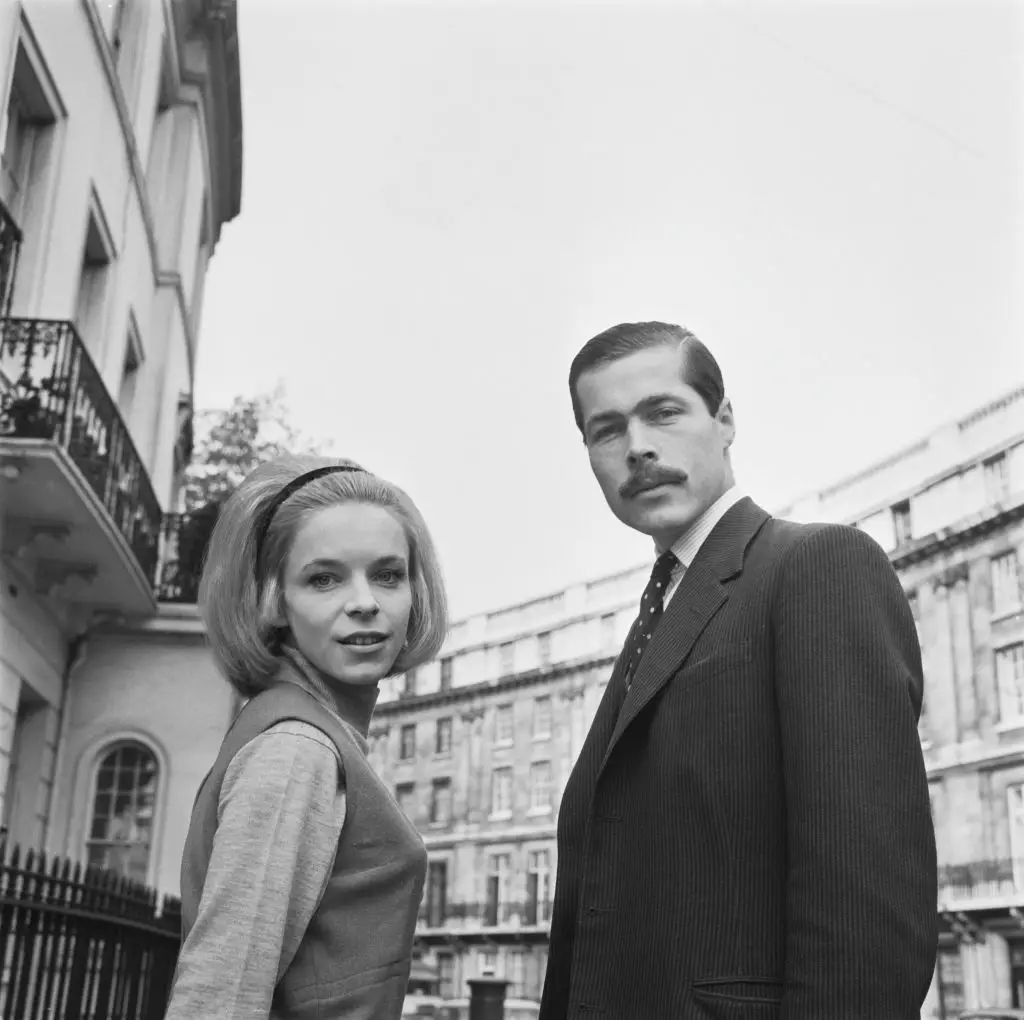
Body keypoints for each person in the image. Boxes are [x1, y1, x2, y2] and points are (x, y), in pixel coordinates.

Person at [539, 322, 937, 1020]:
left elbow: (866, 921)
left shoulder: (817, 566)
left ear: (724, 421)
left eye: (663, 412)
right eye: (606, 431)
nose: (637, 448)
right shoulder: (655, 618)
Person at [164, 455, 449, 1020]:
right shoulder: (298, 748)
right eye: (324, 578)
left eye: (388, 574)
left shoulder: (307, 733)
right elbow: (220, 995)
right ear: (273, 601)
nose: (365, 601)